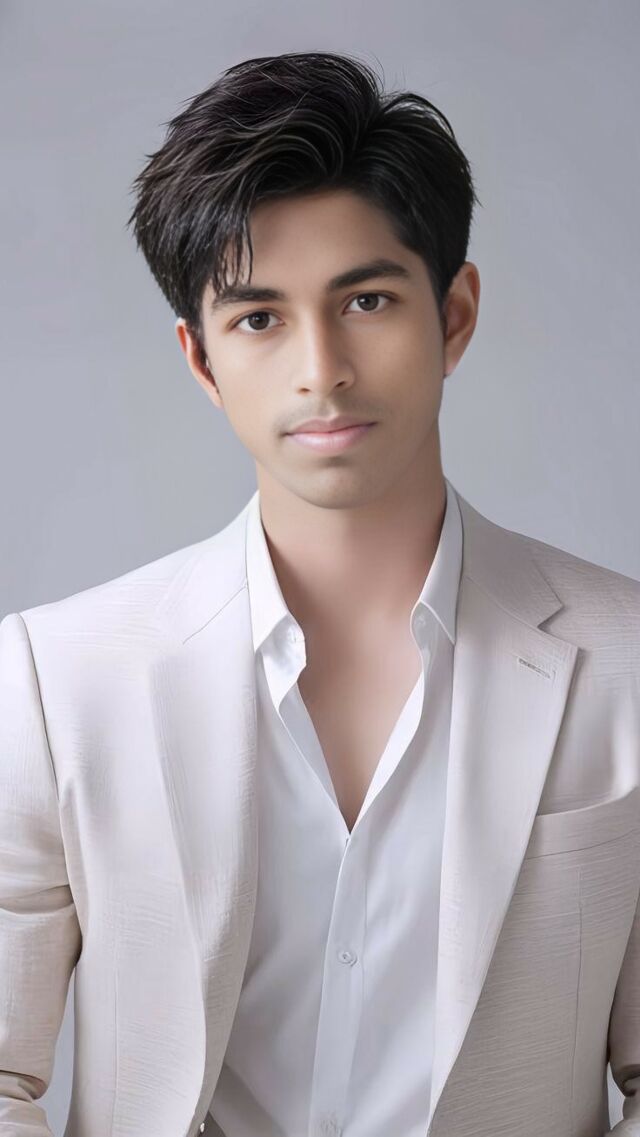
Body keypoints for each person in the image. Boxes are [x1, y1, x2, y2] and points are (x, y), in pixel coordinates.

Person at [1, 49, 639, 1137]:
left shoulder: (623, 664)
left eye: (367, 300)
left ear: (454, 315)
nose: (322, 369)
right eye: (259, 319)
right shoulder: (58, 679)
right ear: (201, 360)